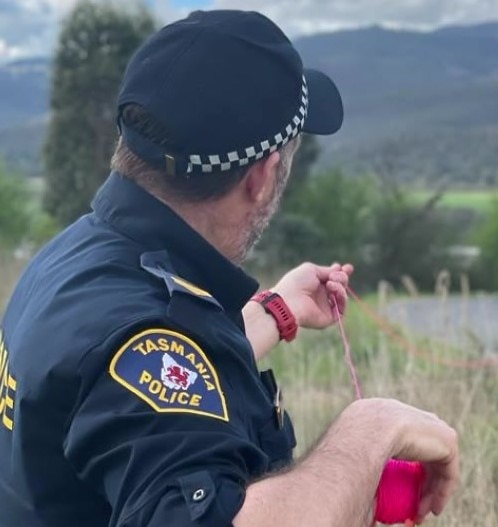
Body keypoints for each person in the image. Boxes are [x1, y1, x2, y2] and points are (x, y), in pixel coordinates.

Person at [0, 10, 459, 527]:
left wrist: (274, 312)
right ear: (261, 178)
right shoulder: (140, 330)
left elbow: (147, 381)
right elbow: (144, 366)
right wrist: (372, 430)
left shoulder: (75, 258)